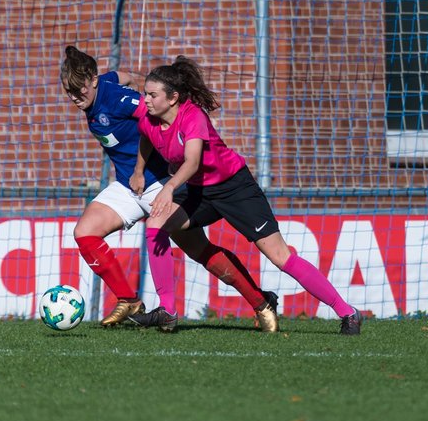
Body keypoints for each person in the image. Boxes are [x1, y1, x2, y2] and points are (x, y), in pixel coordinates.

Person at [129, 56, 364, 335]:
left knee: (280, 257)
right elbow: (146, 137)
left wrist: (168, 187)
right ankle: (167, 311)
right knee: (155, 224)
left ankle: (347, 312)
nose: (146, 100)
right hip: (199, 191)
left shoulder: (193, 116)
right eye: (145, 93)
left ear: (173, 98)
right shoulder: (149, 118)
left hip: (235, 188)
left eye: (152, 95)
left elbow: (192, 161)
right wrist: (139, 171)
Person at [60, 46, 280, 332]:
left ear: (92, 79)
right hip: (129, 185)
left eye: (80, 91)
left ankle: (260, 302)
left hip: (159, 183)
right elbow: (122, 75)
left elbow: (149, 114)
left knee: (200, 251)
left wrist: (150, 155)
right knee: (84, 232)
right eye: (70, 93)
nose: (76, 98)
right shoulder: (105, 84)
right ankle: (129, 300)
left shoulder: (116, 98)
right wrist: (131, 77)